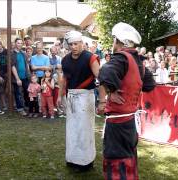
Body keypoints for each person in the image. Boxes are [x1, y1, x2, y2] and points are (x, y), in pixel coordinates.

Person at [98, 22, 156, 179]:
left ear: (119, 41)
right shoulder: (140, 63)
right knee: (128, 156)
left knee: (116, 158)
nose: (113, 43)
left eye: (114, 40)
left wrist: (111, 91)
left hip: (117, 123)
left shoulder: (121, 58)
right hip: (131, 122)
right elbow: (150, 85)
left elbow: (105, 71)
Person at [57, 30, 101, 171]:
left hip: (86, 97)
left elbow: (100, 77)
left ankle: (86, 162)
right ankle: (73, 159)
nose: (74, 46)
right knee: (72, 129)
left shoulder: (91, 58)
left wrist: (103, 99)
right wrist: (59, 95)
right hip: (71, 97)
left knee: (84, 130)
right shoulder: (65, 60)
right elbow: (64, 79)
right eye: (71, 44)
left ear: (82, 43)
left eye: (76, 43)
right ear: (68, 45)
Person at [11, 38, 30, 116]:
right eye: (18, 43)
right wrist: (17, 78)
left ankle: (26, 106)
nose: (20, 44)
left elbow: (27, 64)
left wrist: (29, 74)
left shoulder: (23, 53)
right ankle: (20, 109)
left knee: (27, 91)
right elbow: (12, 67)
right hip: (17, 78)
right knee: (18, 93)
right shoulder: (12, 54)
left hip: (25, 77)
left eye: (21, 43)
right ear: (15, 44)